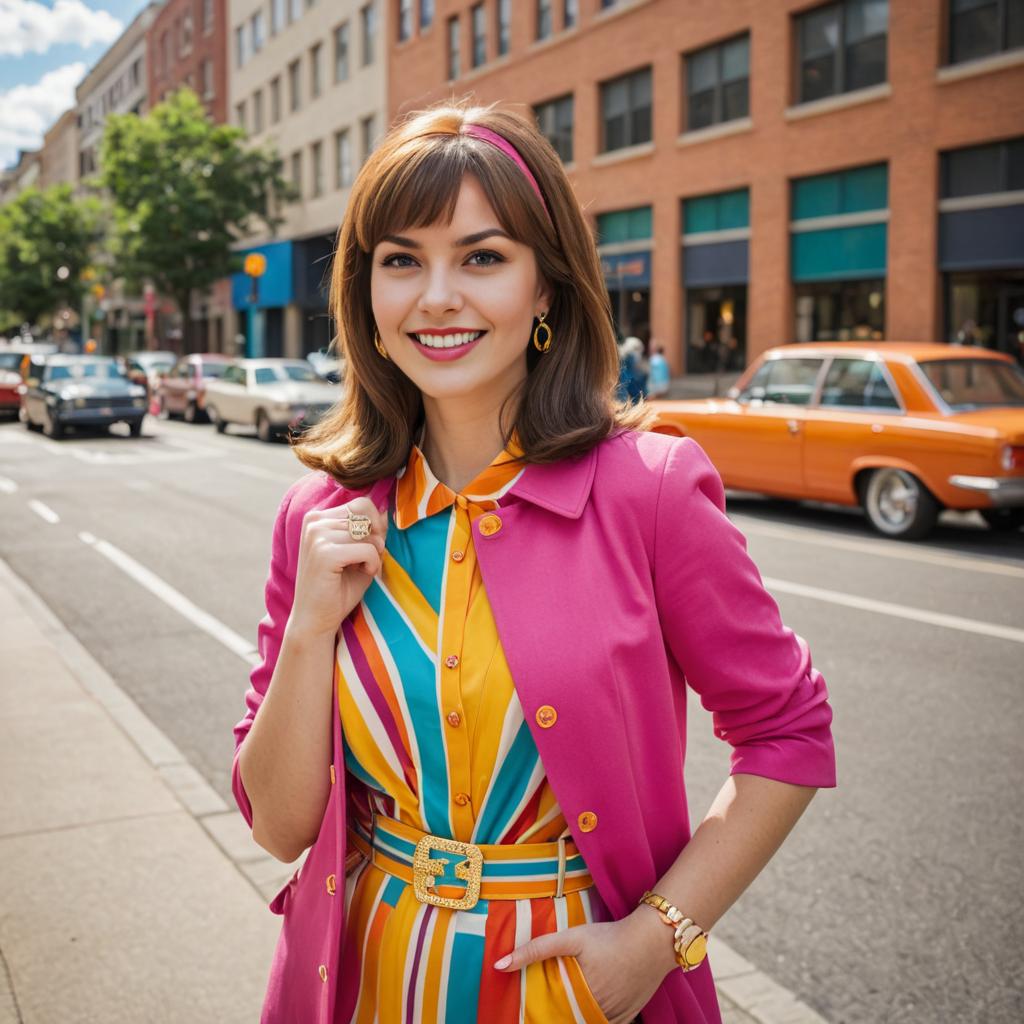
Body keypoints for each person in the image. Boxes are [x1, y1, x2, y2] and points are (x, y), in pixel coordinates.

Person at [232, 100, 836, 1024]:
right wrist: (312, 631)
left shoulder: (650, 489)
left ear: (545, 286)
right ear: (366, 293)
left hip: (576, 984)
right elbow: (279, 827)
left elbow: (788, 732)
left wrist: (657, 936)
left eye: (482, 257)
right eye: (402, 260)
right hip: (363, 977)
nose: (437, 296)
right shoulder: (317, 515)